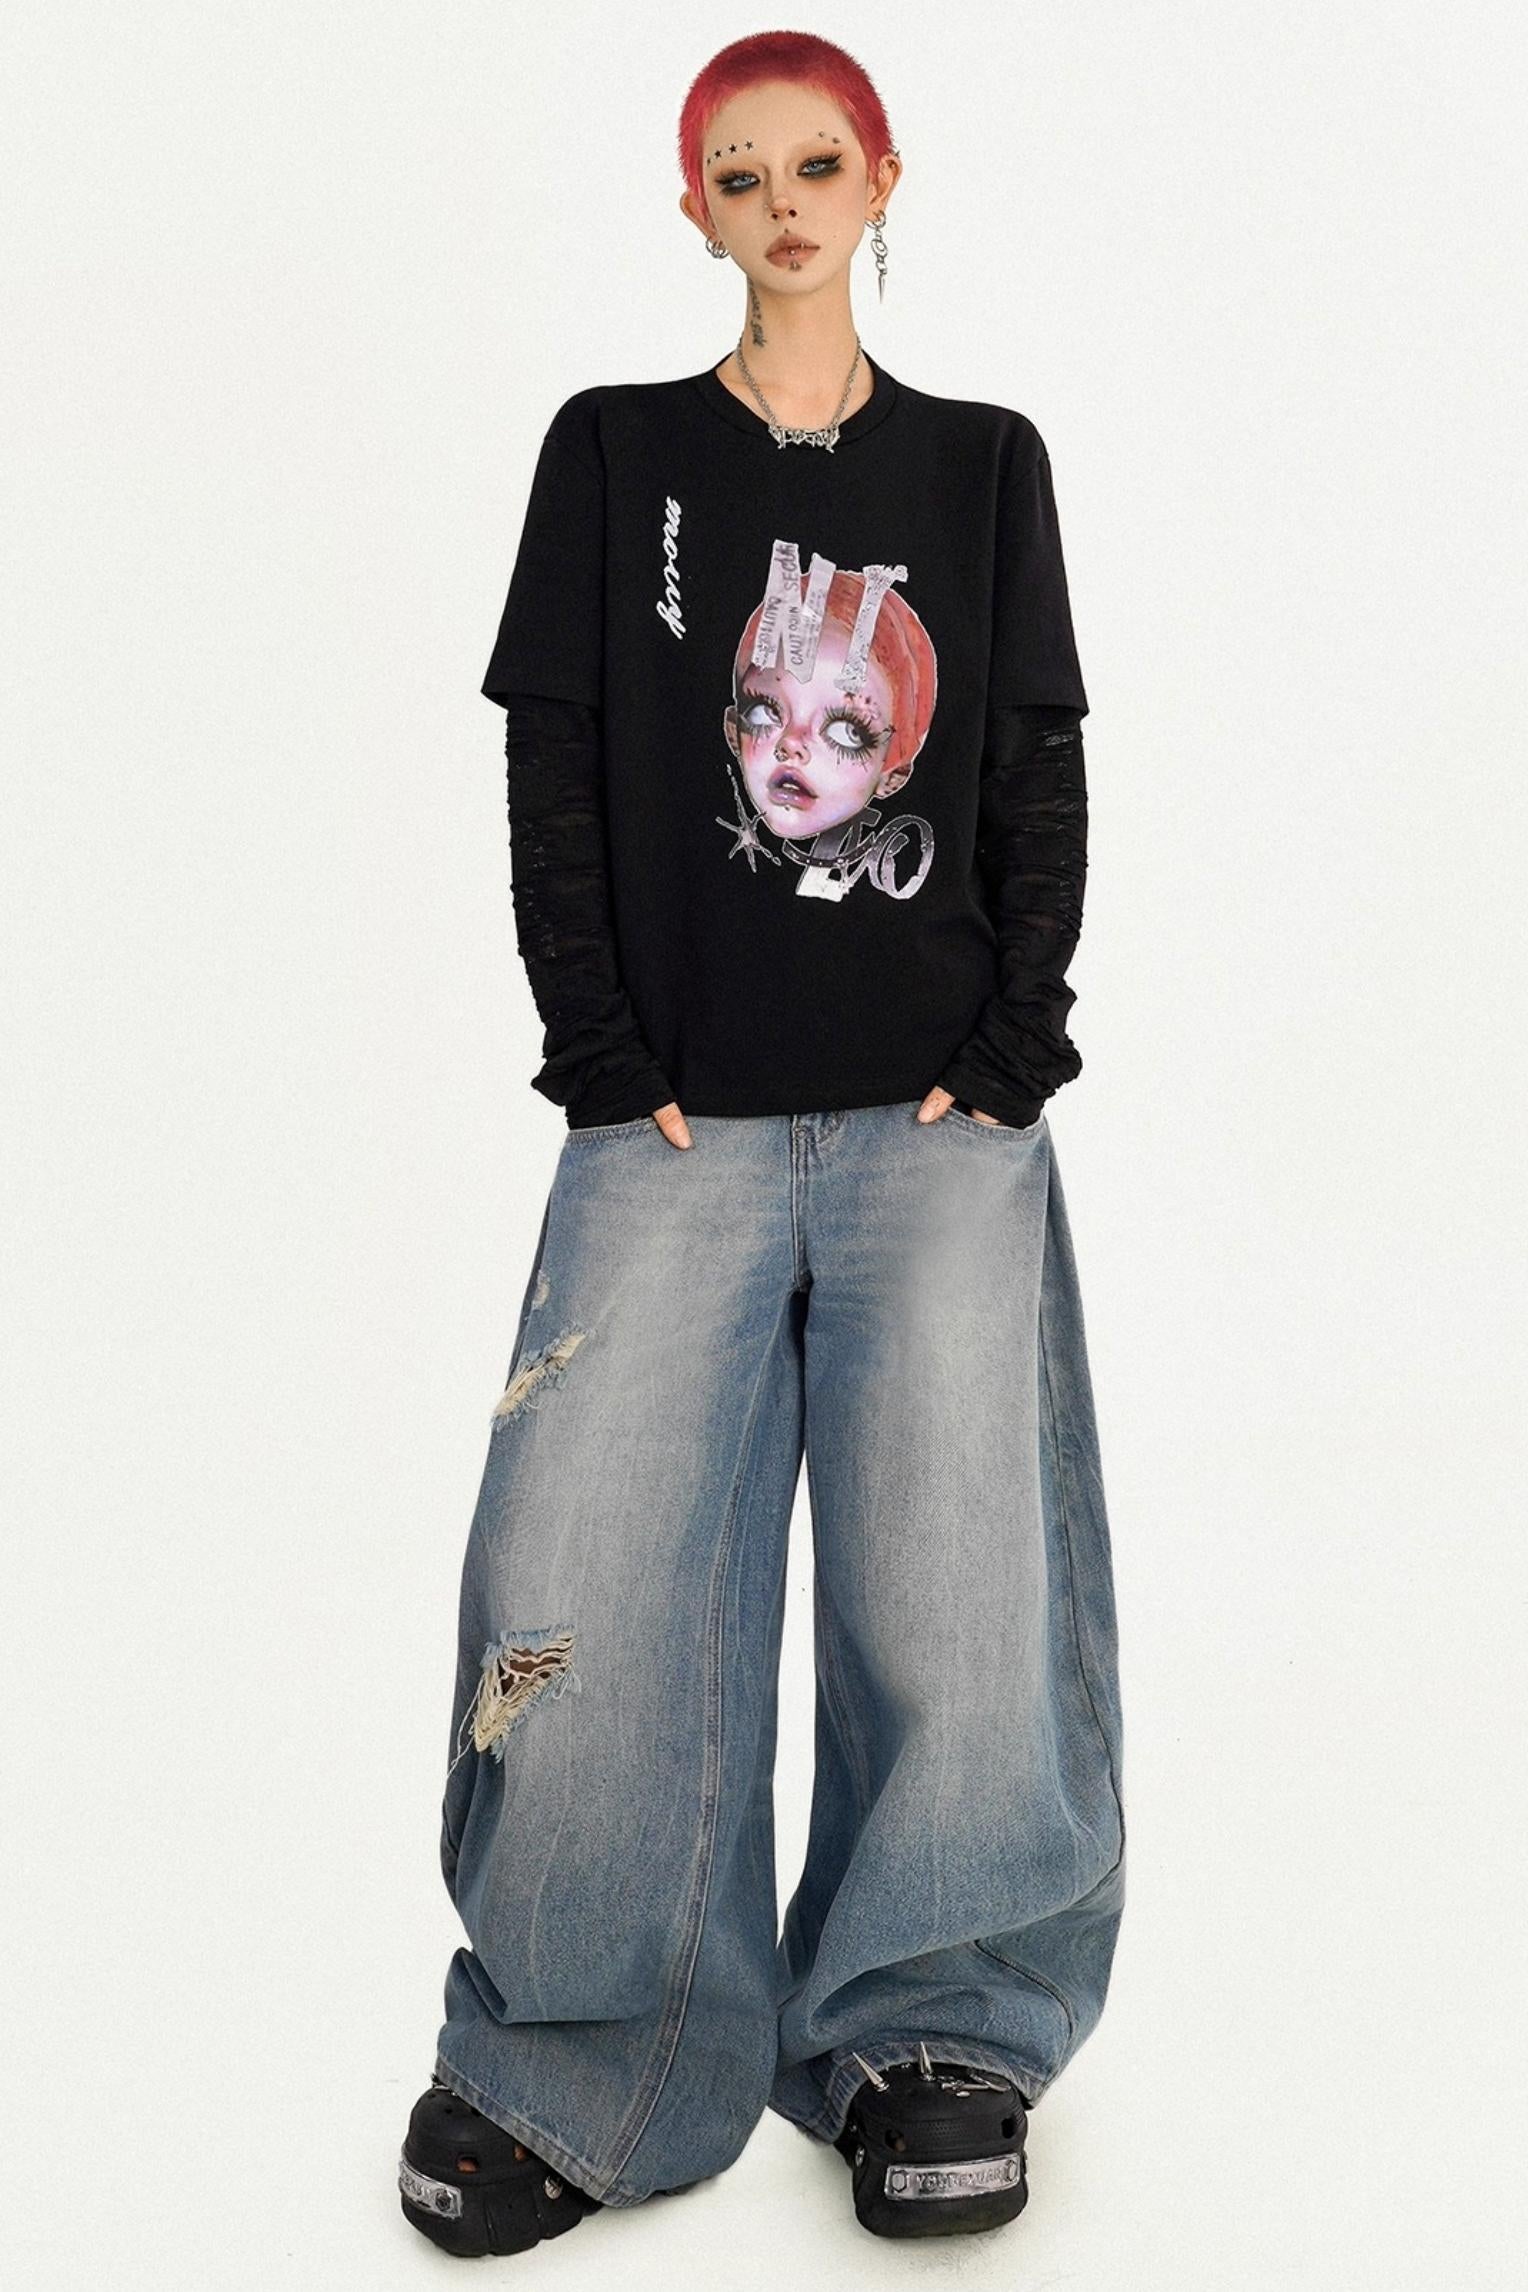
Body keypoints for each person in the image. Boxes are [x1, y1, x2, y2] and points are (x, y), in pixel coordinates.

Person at [398, 28, 1125, 2257]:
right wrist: (601, 1050)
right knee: (588, 1583)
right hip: (674, 1131)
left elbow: (1029, 762)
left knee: (957, 1588)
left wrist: (1015, 1045)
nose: (784, 202)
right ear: (693, 206)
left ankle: (935, 2031)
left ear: (883, 180)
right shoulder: (613, 452)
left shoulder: (983, 463)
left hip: (940, 1131)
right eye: (741, 172)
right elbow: (550, 761)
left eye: (819, 164)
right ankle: (579, 2052)